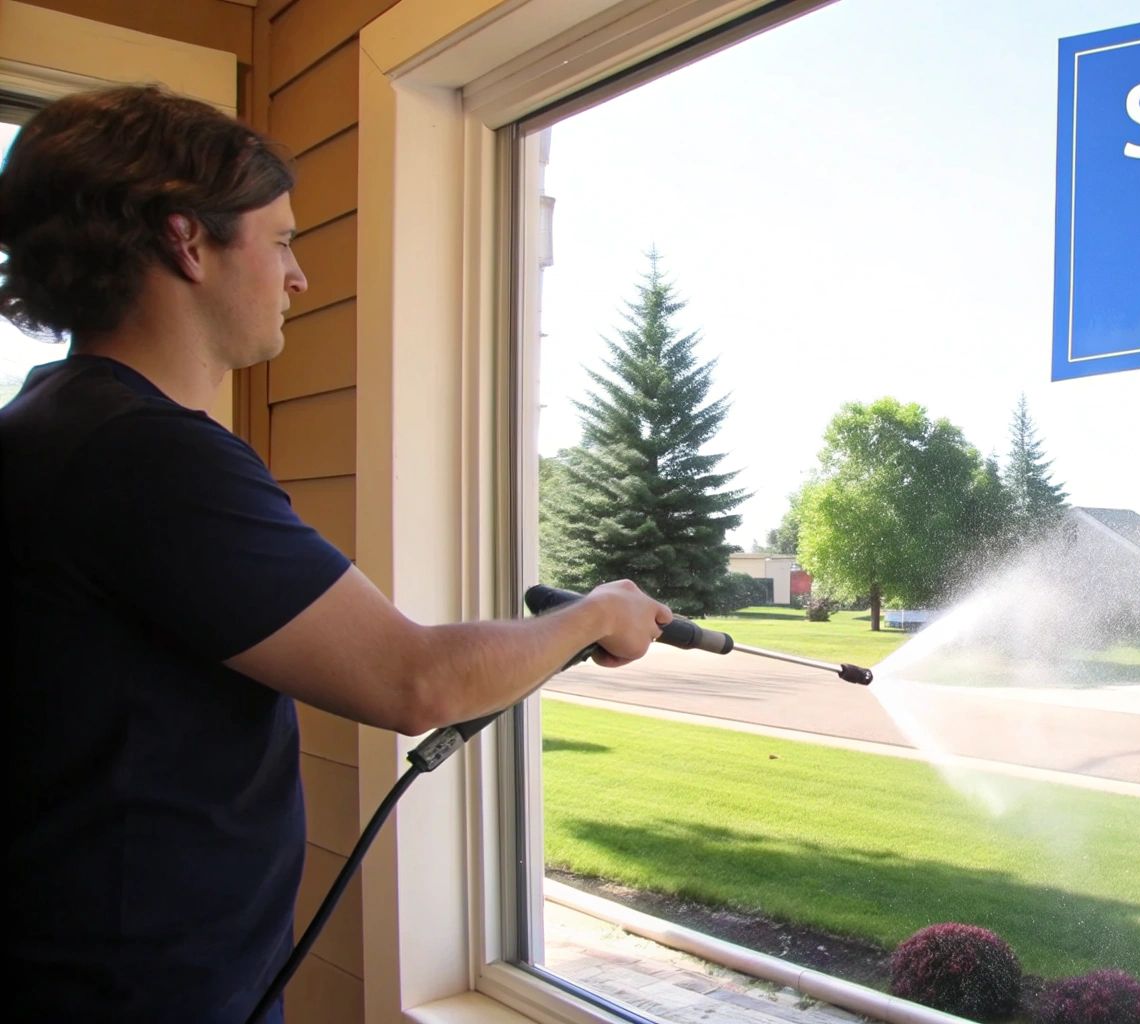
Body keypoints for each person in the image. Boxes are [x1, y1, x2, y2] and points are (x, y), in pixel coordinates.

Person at [0, 85, 672, 1022]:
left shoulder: (52, 424)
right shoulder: (146, 456)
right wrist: (598, 615)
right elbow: (417, 681)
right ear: (187, 242)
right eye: (279, 240)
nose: (298, 274)